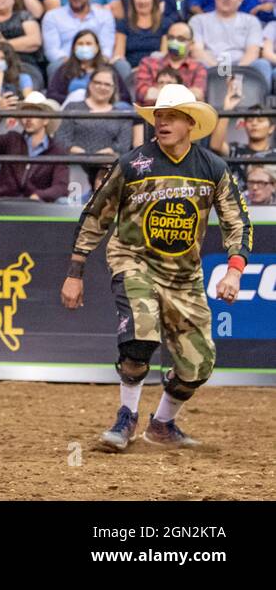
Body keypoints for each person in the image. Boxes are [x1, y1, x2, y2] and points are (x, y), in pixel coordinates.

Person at [65, 84, 250, 451]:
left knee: (197, 366)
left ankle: (162, 424)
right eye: (158, 116)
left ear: (190, 123)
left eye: (170, 116)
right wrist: (76, 270)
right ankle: (126, 417)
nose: (161, 122)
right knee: (139, 335)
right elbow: (96, 214)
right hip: (134, 262)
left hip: (184, 277)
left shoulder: (212, 167)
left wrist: (234, 270)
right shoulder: (132, 163)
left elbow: (237, 221)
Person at [0, 91, 71, 201]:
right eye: (25, 113)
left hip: (38, 207)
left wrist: (39, 195)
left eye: (34, 113)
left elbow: (61, 186)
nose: (28, 118)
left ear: (46, 120)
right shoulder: (11, 139)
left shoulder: (56, 151)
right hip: (6, 202)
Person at [57, 67, 137, 186]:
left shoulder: (121, 115)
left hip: (107, 166)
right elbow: (61, 138)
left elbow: (123, 146)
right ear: (90, 84)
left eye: (107, 84)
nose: (102, 87)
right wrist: (72, 149)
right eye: (98, 83)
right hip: (74, 163)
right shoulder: (73, 108)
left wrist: (110, 152)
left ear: (113, 88)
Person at [190, 0, 272, 84]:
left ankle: (260, 100)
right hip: (209, 66)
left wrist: (235, 73)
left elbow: (253, 51)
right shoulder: (198, 20)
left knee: (262, 64)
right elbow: (197, 50)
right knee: (196, 63)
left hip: (242, 67)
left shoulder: (251, 21)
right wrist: (220, 71)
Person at [43, 0, 118, 67]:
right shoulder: (52, 16)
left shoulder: (104, 15)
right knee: (54, 66)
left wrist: (93, 64)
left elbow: (106, 48)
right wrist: (73, 64)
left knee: (121, 66)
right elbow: (52, 51)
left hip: (98, 64)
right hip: (66, 65)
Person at [209, 86, 274, 185]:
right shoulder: (236, 150)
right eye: (249, 120)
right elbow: (215, 145)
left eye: (260, 121)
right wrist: (227, 109)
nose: (254, 124)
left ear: (271, 128)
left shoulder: (274, 155)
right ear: (245, 125)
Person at [133, 21, 208, 102]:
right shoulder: (148, 63)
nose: (175, 42)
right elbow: (144, 94)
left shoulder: (198, 67)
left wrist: (159, 93)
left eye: (181, 39)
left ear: (191, 44)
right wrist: (185, 94)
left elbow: (198, 96)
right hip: (152, 113)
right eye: (171, 38)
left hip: (184, 114)